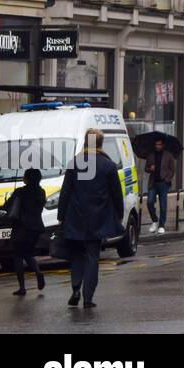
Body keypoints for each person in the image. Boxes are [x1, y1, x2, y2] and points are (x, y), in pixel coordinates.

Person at [57, 129, 124, 308]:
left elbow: (65, 192)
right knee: (92, 256)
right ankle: (88, 297)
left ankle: (75, 288)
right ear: (101, 143)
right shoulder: (108, 165)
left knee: (76, 255)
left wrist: (61, 216)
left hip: (75, 217)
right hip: (98, 218)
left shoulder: (75, 162)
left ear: (86, 142)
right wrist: (119, 214)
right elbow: (117, 194)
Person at [5, 167, 45, 295]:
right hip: (36, 227)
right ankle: (38, 271)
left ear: (26, 179)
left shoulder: (20, 191)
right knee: (28, 253)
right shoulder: (41, 192)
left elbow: (8, 206)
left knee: (18, 256)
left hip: (21, 227)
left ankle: (22, 287)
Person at [144, 137, 176, 234]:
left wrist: (167, 179)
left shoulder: (168, 155)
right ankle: (154, 221)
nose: (157, 146)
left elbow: (172, 169)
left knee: (163, 205)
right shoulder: (150, 155)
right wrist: (150, 168)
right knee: (149, 202)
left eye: (159, 144)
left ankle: (162, 225)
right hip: (153, 182)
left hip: (163, 183)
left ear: (163, 145)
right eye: (156, 144)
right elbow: (146, 168)